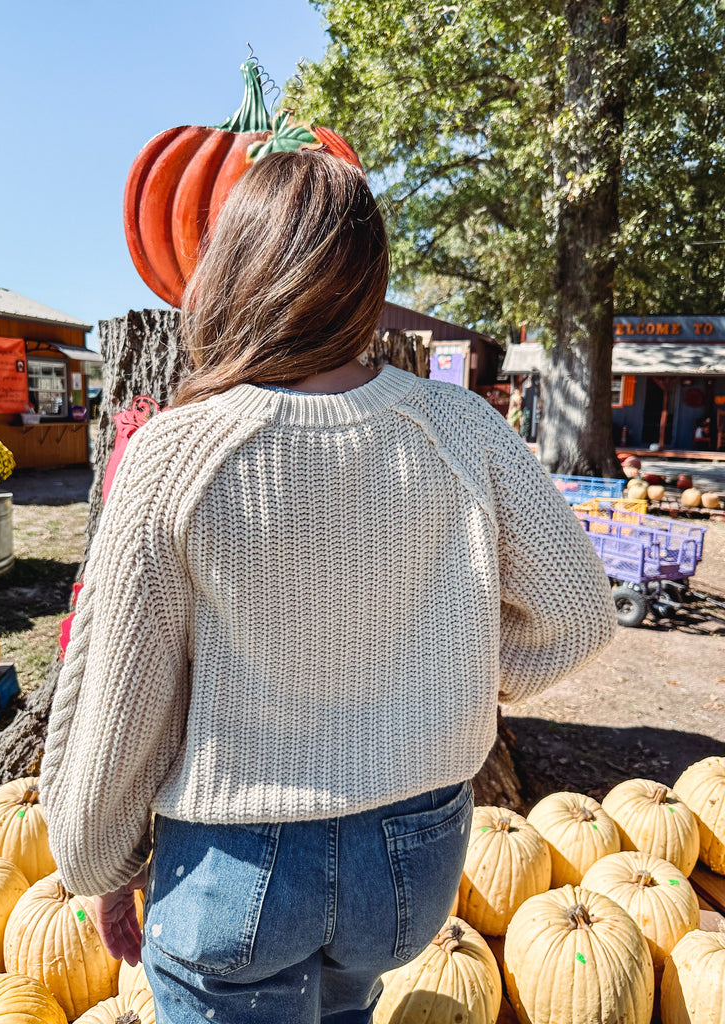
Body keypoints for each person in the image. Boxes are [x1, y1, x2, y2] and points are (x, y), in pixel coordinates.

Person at [40, 149, 616, 1024]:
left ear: (232, 270)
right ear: (368, 280)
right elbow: (577, 615)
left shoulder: (178, 454)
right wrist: (453, 680)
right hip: (414, 861)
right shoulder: (462, 428)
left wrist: (100, 866)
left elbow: (126, 698)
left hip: (237, 868)